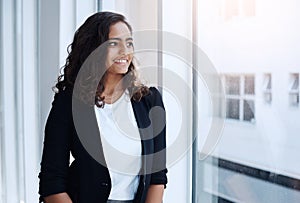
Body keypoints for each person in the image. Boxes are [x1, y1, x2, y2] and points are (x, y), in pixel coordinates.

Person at [38, 11, 168, 203]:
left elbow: (157, 176)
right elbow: (52, 182)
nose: (125, 51)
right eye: (114, 43)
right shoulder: (69, 102)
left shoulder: (149, 100)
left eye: (129, 42)